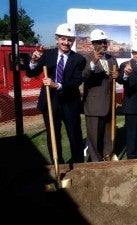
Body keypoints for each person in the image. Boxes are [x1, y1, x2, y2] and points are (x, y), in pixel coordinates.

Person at [26, 23, 86, 164]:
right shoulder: (47, 55)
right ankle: (58, 164)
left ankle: (78, 166)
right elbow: (31, 72)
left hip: (70, 103)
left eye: (69, 39)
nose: (66, 42)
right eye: (63, 39)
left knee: (74, 134)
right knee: (53, 135)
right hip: (50, 102)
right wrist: (34, 61)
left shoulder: (79, 59)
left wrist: (56, 85)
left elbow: (76, 81)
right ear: (57, 39)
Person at [82, 29, 119, 161]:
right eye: (100, 42)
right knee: (94, 135)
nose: (103, 45)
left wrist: (117, 75)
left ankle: (107, 155)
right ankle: (96, 160)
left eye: (105, 42)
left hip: (109, 103)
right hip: (94, 105)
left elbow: (117, 76)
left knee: (108, 134)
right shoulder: (86, 58)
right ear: (93, 43)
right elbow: (84, 76)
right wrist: (93, 63)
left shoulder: (111, 58)